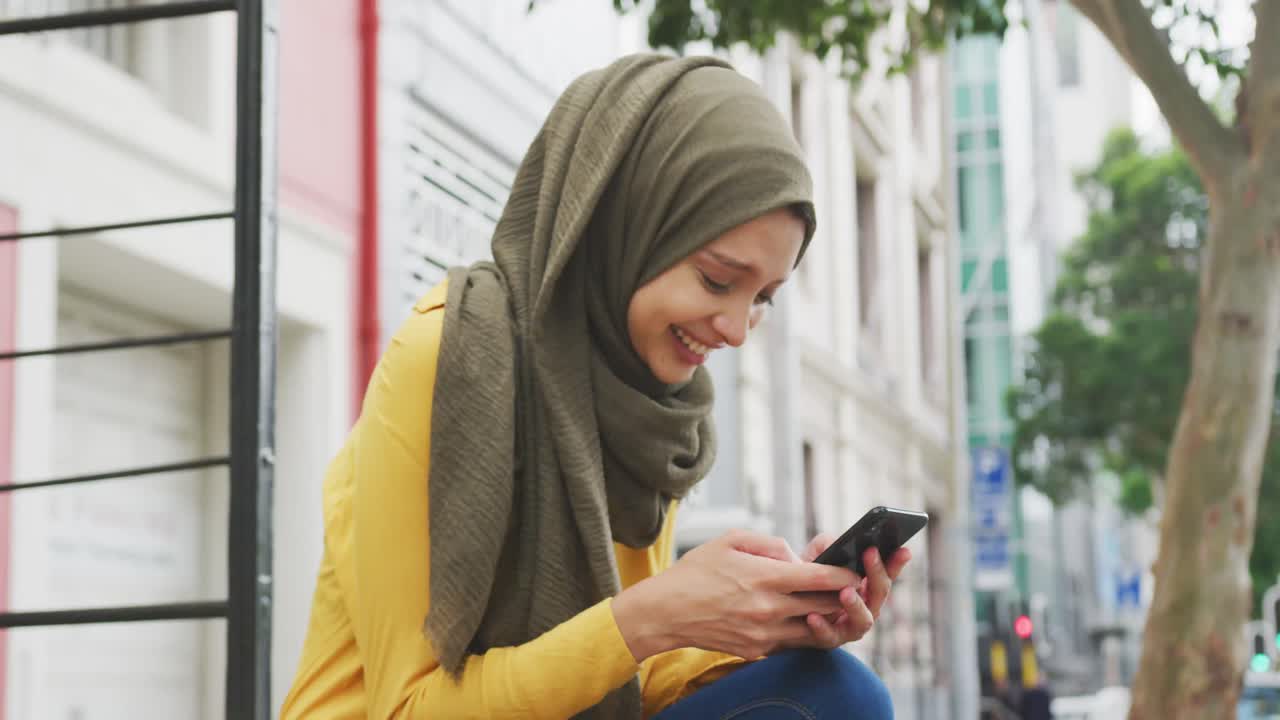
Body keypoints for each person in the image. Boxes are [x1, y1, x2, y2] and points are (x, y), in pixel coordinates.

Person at [280, 53, 911, 720]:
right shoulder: (447, 355)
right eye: (718, 280)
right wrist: (653, 615)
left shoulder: (655, 406)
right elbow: (409, 708)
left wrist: (763, 625)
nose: (736, 330)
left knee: (831, 689)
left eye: (764, 298)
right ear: (630, 223)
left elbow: (625, 671)